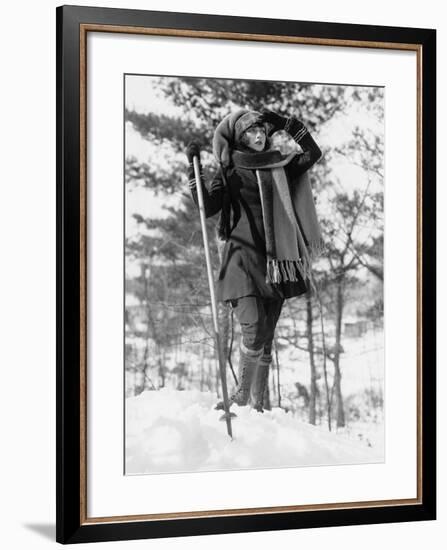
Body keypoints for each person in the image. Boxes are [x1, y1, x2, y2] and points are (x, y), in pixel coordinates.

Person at [186, 108, 323, 413]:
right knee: (254, 327)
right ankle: (241, 395)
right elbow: (207, 208)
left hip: (277, 262)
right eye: (251, 132)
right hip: (242, 261)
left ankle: (257, 405)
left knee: (267, 334)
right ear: (238, 138)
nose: (259, 136)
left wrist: (288, 124)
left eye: (262, 131)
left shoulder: (280, 166)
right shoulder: (229, 172)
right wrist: (192, 170)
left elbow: (313, 153)